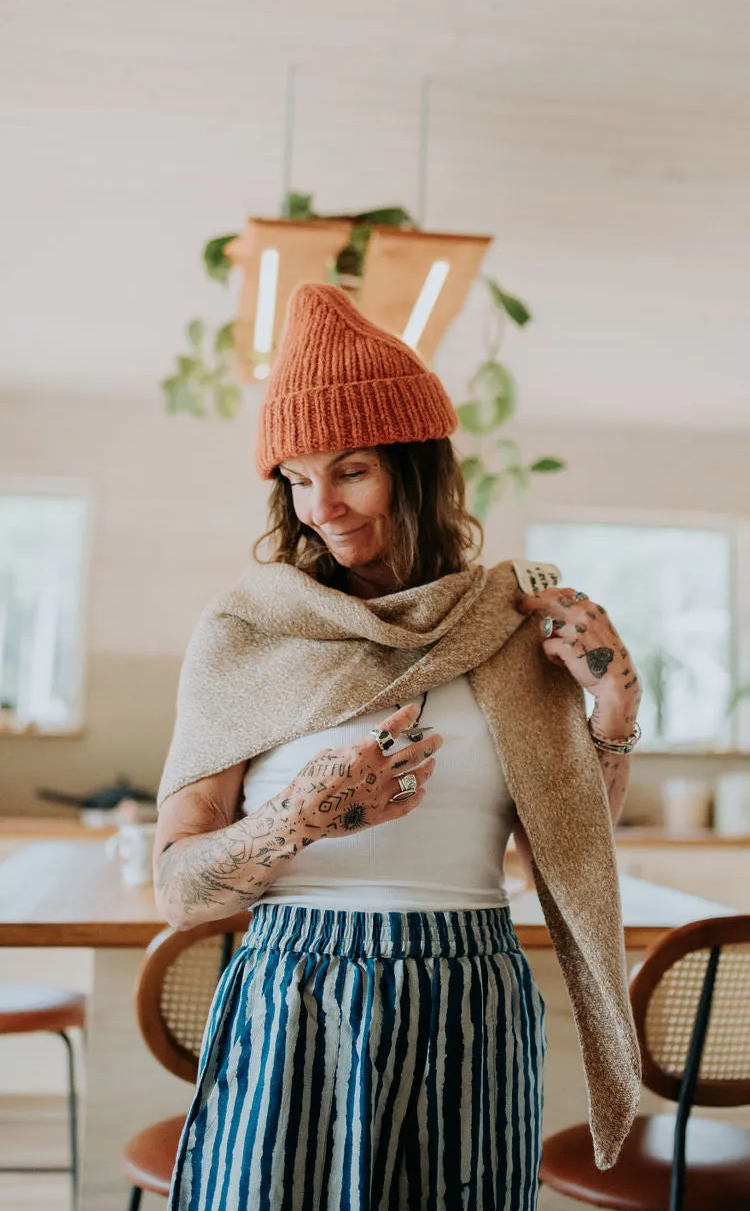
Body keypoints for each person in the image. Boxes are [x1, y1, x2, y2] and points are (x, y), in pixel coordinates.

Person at [154, 282, 643, 1211]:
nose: (322, 508)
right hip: (294, 992)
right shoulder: (249, 634)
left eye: (350, 470)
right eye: (296, 479)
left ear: (417, 470)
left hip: (471, 996)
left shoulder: (507, 628)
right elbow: (178, 890)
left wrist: (613, 708)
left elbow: (566, 847)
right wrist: (297, 820)